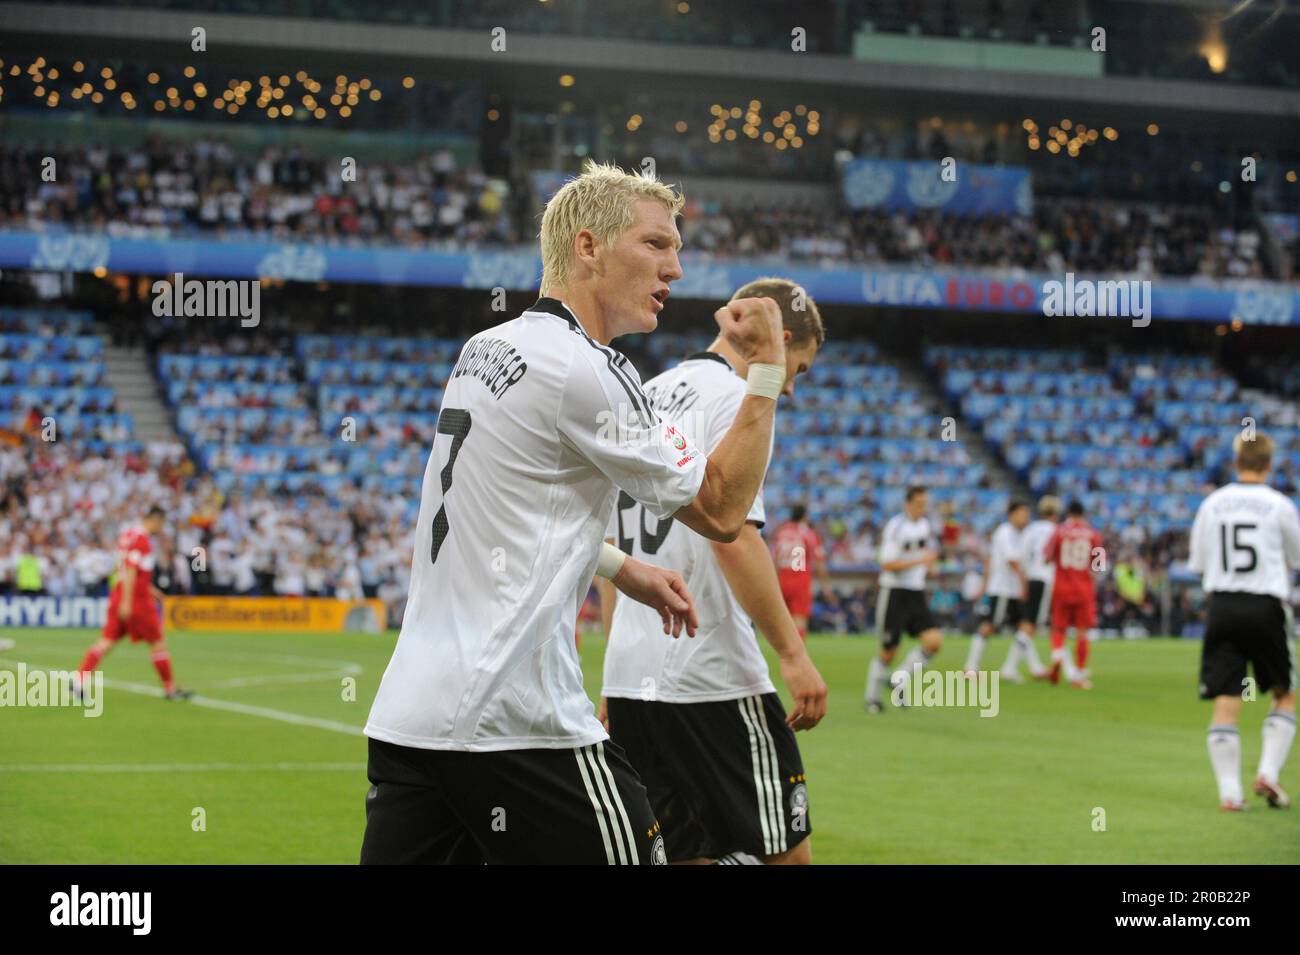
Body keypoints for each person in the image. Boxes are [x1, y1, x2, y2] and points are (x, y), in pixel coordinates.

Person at [359, 160, 788, 864]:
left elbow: (503, 512)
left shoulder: (483, 349)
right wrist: (766, 374)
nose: (675, 268)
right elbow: (720, 509)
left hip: (413, 717)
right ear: (588, 247)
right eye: (656, 245)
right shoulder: (588, 368)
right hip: (516, 719)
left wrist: (623, 568)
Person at [597, 277, 829, 865]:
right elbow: (733, 540)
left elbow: (608, 552)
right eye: (797, 369)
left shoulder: (644, 392)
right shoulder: (736, 399)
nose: (792, 387)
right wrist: (794, 653)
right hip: (710, 671)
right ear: (781, 339)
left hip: (635, 677)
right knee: (785, 856)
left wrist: (612, 670)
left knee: (681, 854)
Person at [1188, 432, 1299, 810]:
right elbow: (1296, 557)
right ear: (1269, 465)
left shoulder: (1212, 504)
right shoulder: (1279, 504)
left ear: (1236, 463)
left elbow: (1199, 563)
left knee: (1227, 695)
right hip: (1265, 605)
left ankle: (1230, 794)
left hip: (1222, 606)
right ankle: (1268, 772)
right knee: (1284, 692)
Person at [74, 506, 191, 701]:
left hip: (120, 593)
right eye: (161, 524)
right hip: (135, 600)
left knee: (107, 641)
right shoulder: (142, 540)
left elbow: (124, 568)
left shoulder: (128, 535)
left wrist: (148, 589)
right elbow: (130, 569)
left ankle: (78, 680)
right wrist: (128, 602)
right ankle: (170, 689)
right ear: (154, 520)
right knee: (157, 642)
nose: (161, 529)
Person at [865, 485, 943, 713]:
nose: (922, 508)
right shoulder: (896, 527)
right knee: (890, 650)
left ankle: (900, 678)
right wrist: (920, 561)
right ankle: (872, 698)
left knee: (934, 641)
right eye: (918, 504)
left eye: (924, 504)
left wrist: (930, 565)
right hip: (895, 592)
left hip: (915, 591)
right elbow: (887, 563)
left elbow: (923, 554)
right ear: (908, 504)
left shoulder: (924, 525)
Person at [1043, 500, 1104, 689]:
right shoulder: (1094, 534)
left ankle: (1057, 656)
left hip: (1061, 586)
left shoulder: (1059, 532)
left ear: (1068, 513)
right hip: (1083, 588)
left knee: (1059, 629)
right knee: (1082, 632)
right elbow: (1099, 566)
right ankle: (1078, 674)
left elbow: (1046, 557)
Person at [772, 504, 835, 638]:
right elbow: (819, 563)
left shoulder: (781, 532)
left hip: (782, 580)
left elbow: (775, 561)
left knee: (784, 622)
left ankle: (785, 655)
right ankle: (797, 657)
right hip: (799, 580)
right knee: (799, 621)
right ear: (804, 516)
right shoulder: (808, 534)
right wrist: (826, 587)